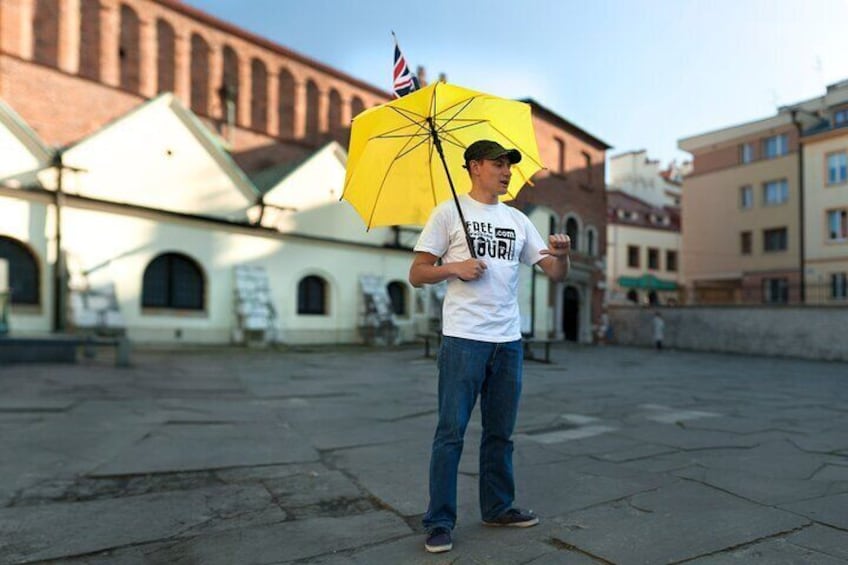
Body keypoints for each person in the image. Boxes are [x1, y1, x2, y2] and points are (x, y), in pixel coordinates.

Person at [409, 139, 571, 554]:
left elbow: (553, 273)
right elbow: (417, 272)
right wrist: (454, 268)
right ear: (474, 166)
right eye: (498, 164)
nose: (506, 171)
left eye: (509, 166)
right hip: (464, 340)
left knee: (500, 433)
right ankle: (439, 520)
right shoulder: (448, 213)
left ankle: (498, 507)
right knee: (451, 432)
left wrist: (561, 255)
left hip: (507, 342)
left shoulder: (517, 219)